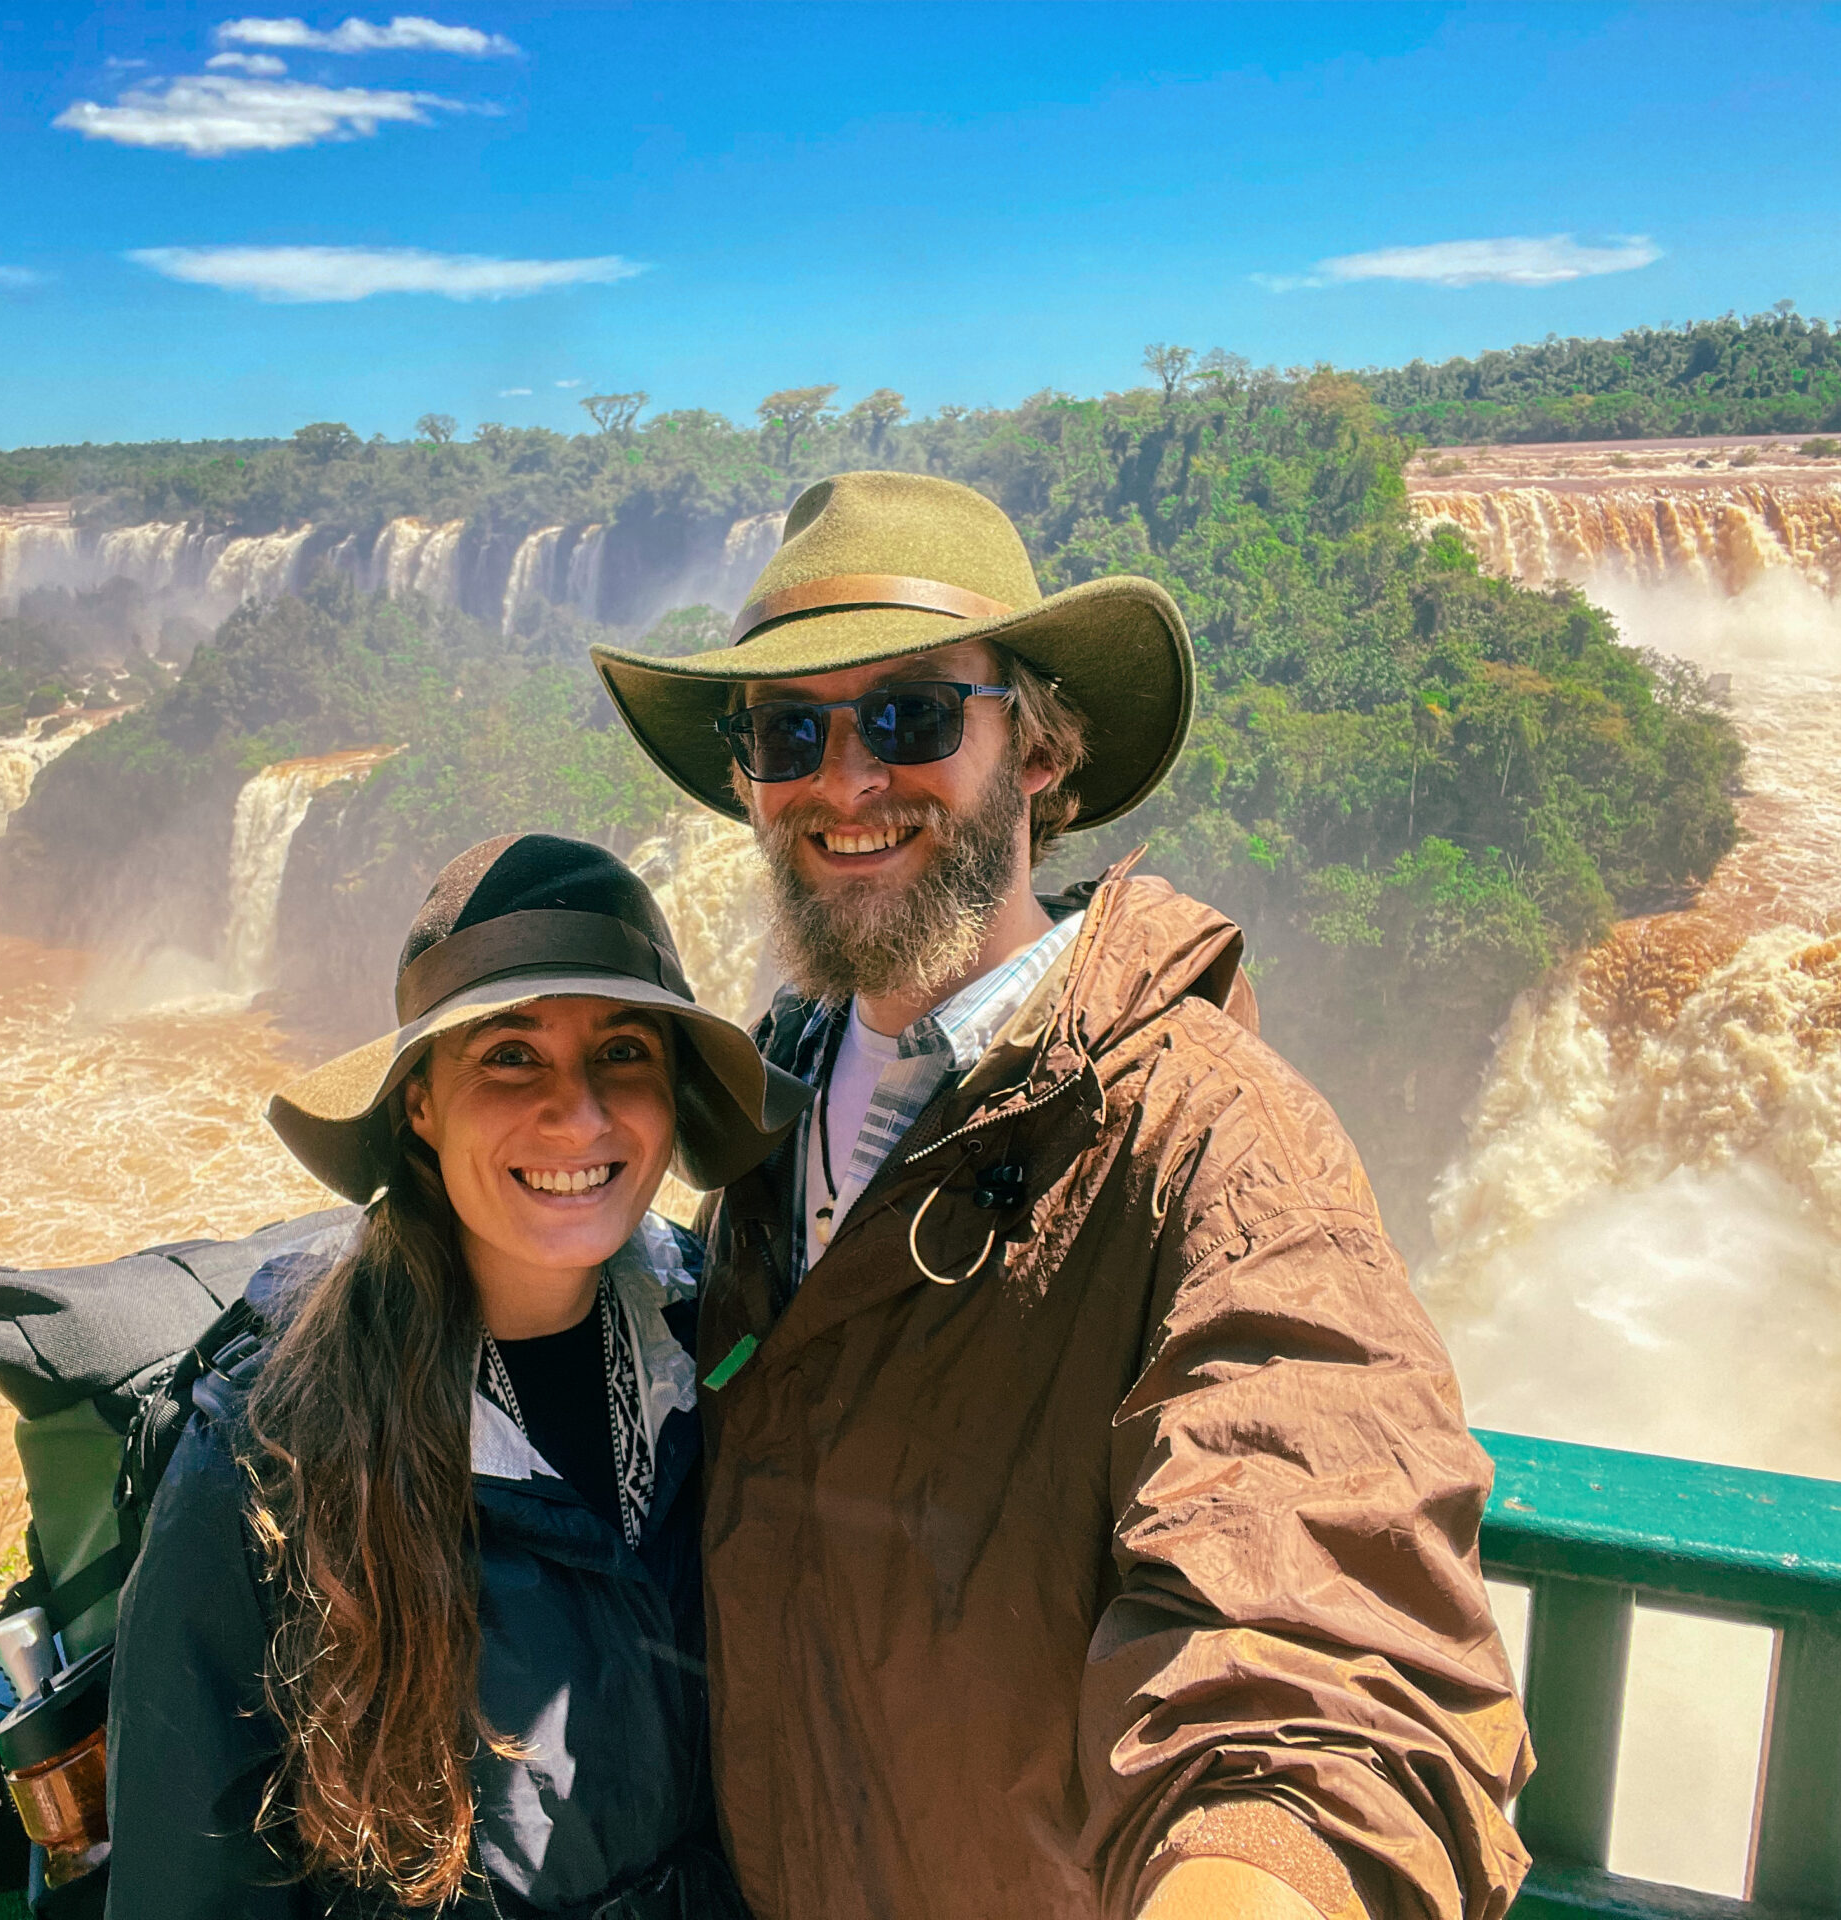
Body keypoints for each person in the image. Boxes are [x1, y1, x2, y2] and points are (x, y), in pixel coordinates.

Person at [589, 472, 1534, 1920]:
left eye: (911, 716)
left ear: (1037, 747)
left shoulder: (1213, 1138)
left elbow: (1322, 1648)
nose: (845, 782)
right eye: (789, 731)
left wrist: (1255, 1876)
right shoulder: (773, 1107)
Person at [105, 833, 809, 1918]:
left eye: (623, 1051)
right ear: (420, 1106)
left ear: (673, 1097)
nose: (576, 1114)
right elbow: (189, 1878)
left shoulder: (713, 1350)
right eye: (509, 1057)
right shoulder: (272, 1443)